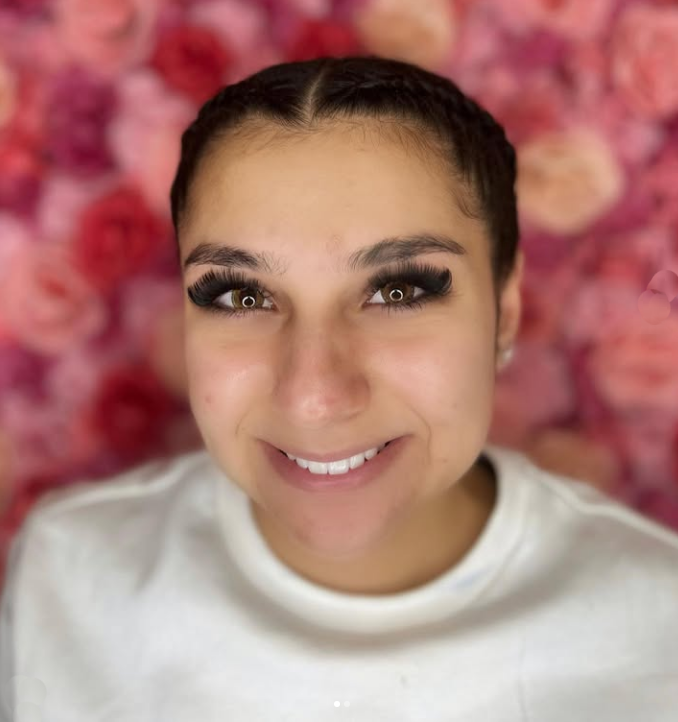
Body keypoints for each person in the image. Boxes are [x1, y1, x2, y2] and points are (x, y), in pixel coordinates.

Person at [1, 55, 677, 721]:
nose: (314, 395)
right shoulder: (70, 577)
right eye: (239, 295)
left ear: (504, 309)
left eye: (398, 289)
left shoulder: (656, 625)